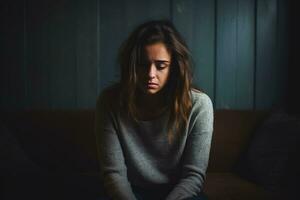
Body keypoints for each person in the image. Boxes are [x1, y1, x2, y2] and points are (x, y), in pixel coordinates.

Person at [95, 20, 214, 200]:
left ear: (174, 67)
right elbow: (114, 174)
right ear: (132, 65)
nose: (151, 74)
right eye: (143, 64)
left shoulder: (199, 105)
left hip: (180, 194)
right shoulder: (110, 102)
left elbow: (193, 177)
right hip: (129, 192)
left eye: (160, 66)